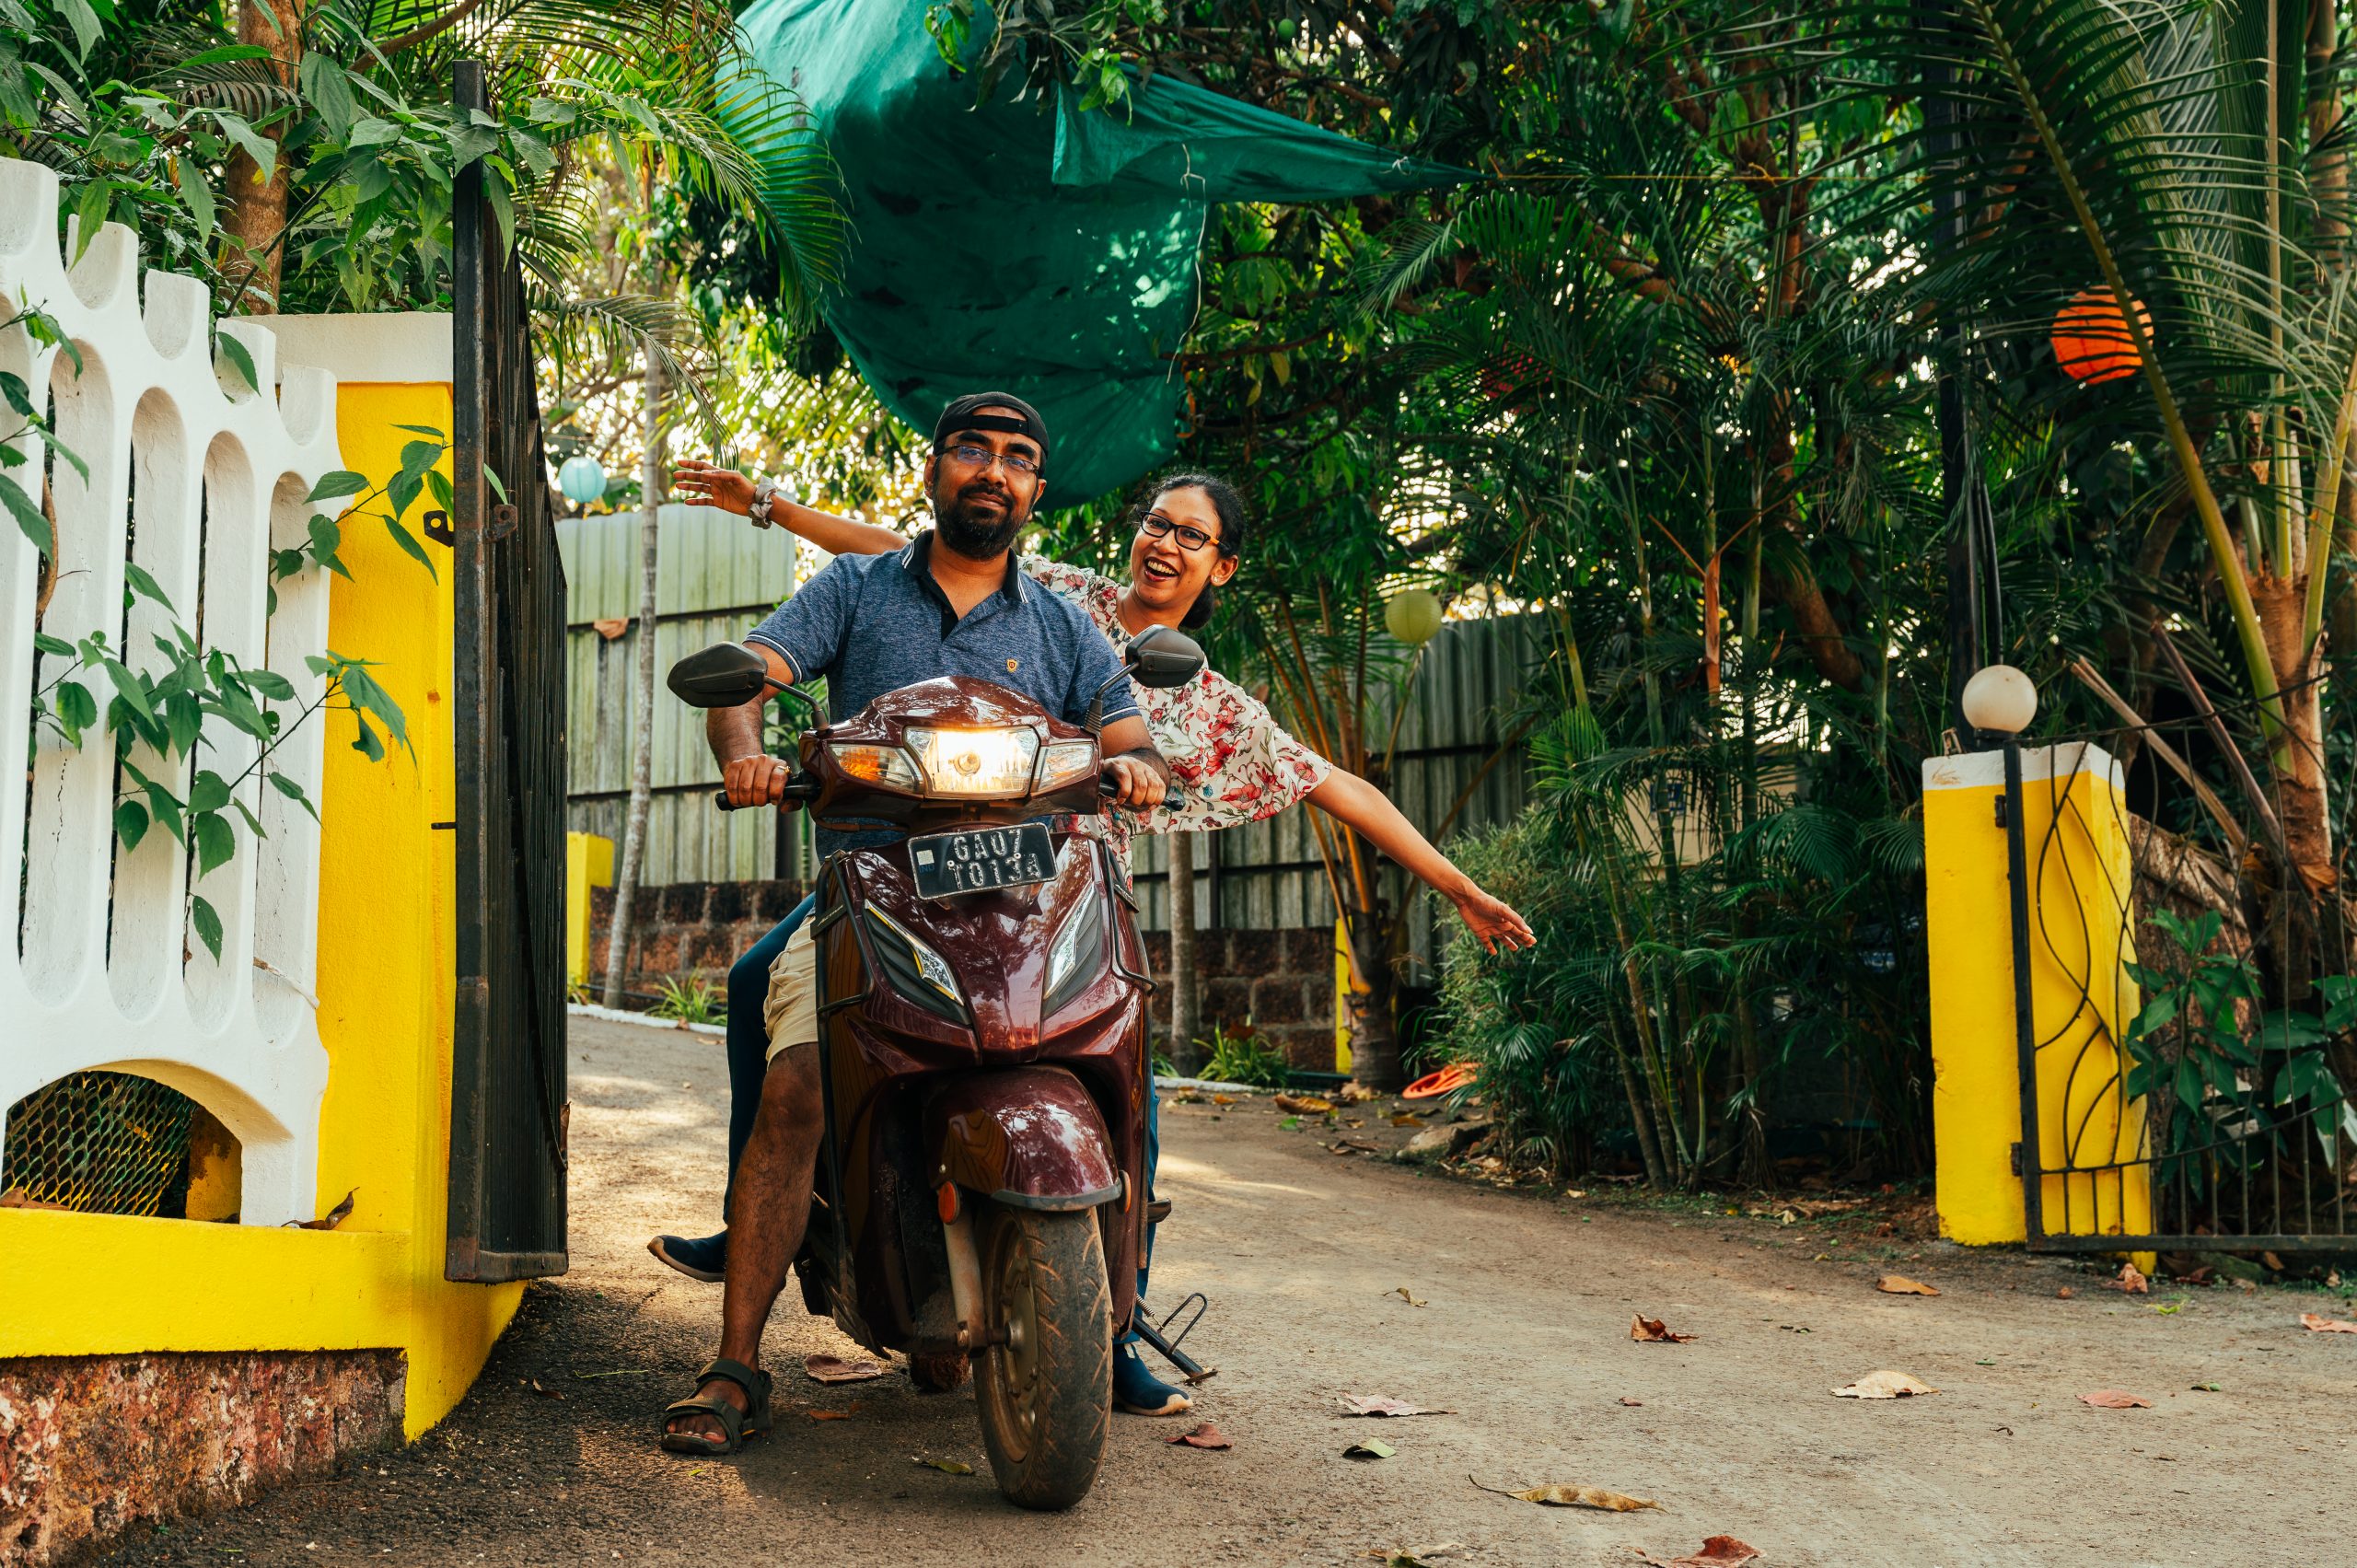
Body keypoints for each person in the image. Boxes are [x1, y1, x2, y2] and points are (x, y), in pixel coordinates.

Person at [661, 452, 1535, 1420]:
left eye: (1190, 535)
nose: (1164, 543)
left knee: (1130, 1093)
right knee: (757, 981)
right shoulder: (1058, 597)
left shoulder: (1206, 704)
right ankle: (747, 1220)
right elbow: (884, 553)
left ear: (1222, 569)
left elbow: (1341, 786)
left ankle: (1112, 1325)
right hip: (915, 866)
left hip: (1055, 899)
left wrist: (1460, 887)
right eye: (1156, 522)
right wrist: (769, 505)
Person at [658, 393, 1172, 1454]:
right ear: (935, 469)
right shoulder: (853, 586)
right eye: (973, 450)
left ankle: (1115, 1312)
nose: (994, 470)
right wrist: (744, 750)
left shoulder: (1065, 623)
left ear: (1034, 490)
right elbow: (750, 677)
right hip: (876, 884)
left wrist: (1135, 766)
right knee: (798, 1081)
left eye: (1018, 458)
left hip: (1032, 896)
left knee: (1119, 1049)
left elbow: (1128, 727)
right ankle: (735, 1361)